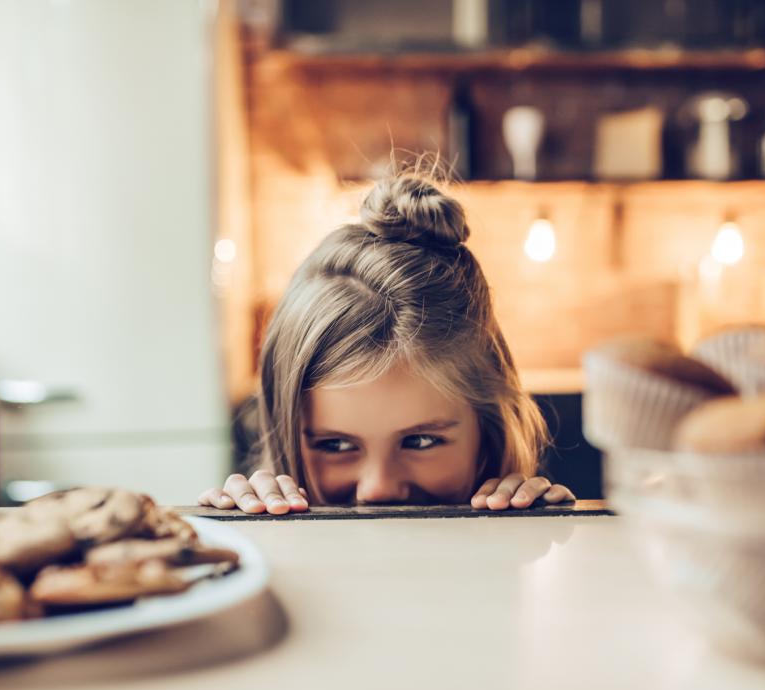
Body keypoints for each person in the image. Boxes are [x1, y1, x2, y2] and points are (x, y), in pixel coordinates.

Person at [199, 168, 574, 515]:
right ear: (286, 431)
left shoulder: (521, 538)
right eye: (335, 446)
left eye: (422, 441)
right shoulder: (258, 554)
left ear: (489, 433)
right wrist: (249, 537)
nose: (378, 490)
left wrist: (530, 531)